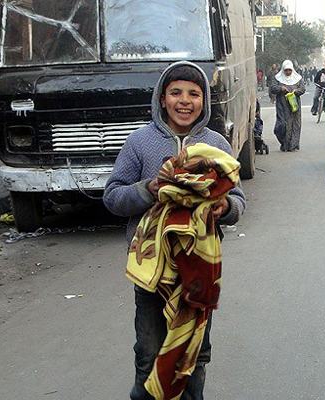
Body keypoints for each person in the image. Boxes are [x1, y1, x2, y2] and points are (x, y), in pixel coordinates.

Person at [103, 61, 246, 400]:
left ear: (204, 100)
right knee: (149, 354)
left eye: (194, 94)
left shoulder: (217, 145)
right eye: (176, 93)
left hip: (198, 270)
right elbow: (112, 196)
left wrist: (225, 207)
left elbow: (238, 199)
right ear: (162, 99)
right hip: (152, 270)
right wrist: (149, 189)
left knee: (194, 356)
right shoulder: (140, 142)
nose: (185, 101)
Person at [270, 60, 306, 152]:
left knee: (295, 124)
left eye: (290, 70)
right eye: (286, 70)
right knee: (282, 125)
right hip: (282, 105)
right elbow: (272, 88)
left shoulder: (297, 78)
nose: (288, 72)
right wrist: (280, 88)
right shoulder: (277, 78)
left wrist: (296, 91)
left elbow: (302, 89)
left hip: (294, 105)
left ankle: (293, 145)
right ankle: (284, 143)